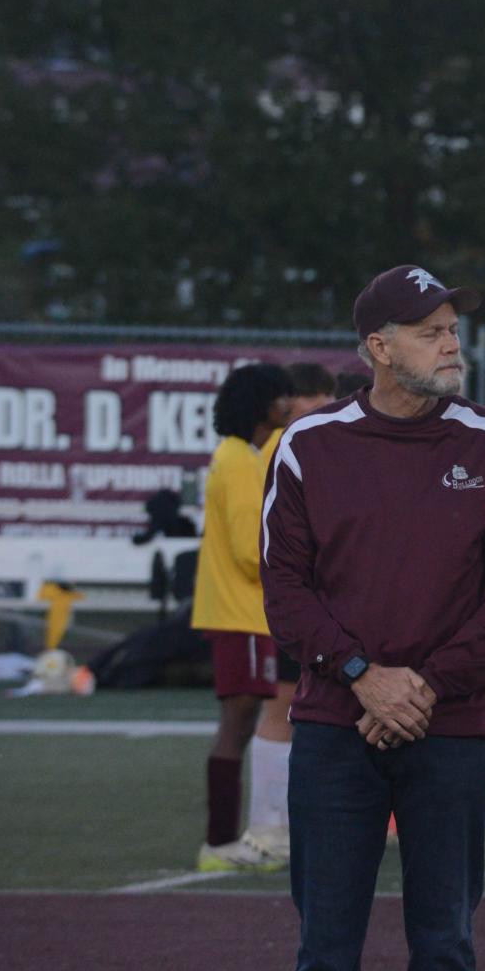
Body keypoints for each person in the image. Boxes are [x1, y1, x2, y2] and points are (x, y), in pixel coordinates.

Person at [261, 263, 485, 971]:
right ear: (378, 348)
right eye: (430, 331)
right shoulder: (311, 446)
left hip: (449, 733)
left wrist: (421, 686)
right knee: (325, 956)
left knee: (446, 953)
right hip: (335, 732)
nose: (451, 343)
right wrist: (359, 674)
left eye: (453, 328)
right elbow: (284, 587)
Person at [191, 362, 295, 872]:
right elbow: (246, 549)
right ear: (262, 404)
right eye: (282, 398)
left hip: (245, 612)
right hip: (240, 611)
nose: (289, 405)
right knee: (237, 723)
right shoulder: (235, 460)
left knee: (246, 720)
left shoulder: (249, 456)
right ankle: (219, 842)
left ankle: (228, 837)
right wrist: (297, 563)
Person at [254, 361, 342, 860]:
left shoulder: (322, 447)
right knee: (281, 710)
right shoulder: (284, 450)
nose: (318, 407)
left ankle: (286, 822)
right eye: (309, 397)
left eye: (324, 396)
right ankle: (268, 825)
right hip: (283, 607)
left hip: (315, 605)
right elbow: (270, 542)